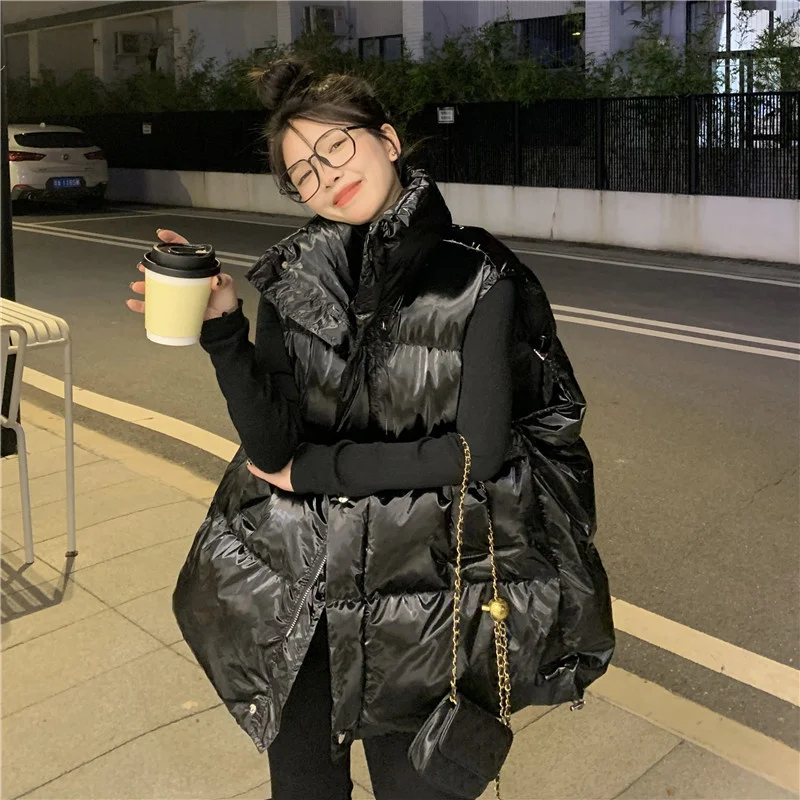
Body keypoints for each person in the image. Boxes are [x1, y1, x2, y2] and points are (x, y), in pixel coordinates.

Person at [127, 60, 614, 800]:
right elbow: (270, 449)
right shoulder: (291, 279)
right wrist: (223, 330)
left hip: (424, 596)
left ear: (387, 140)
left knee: (414, 785)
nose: (325, 176)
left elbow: (475, 453)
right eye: (303, 173)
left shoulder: (478, 276)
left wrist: (317, 473)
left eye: (336, 147)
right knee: (301, 785)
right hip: (302, 589)